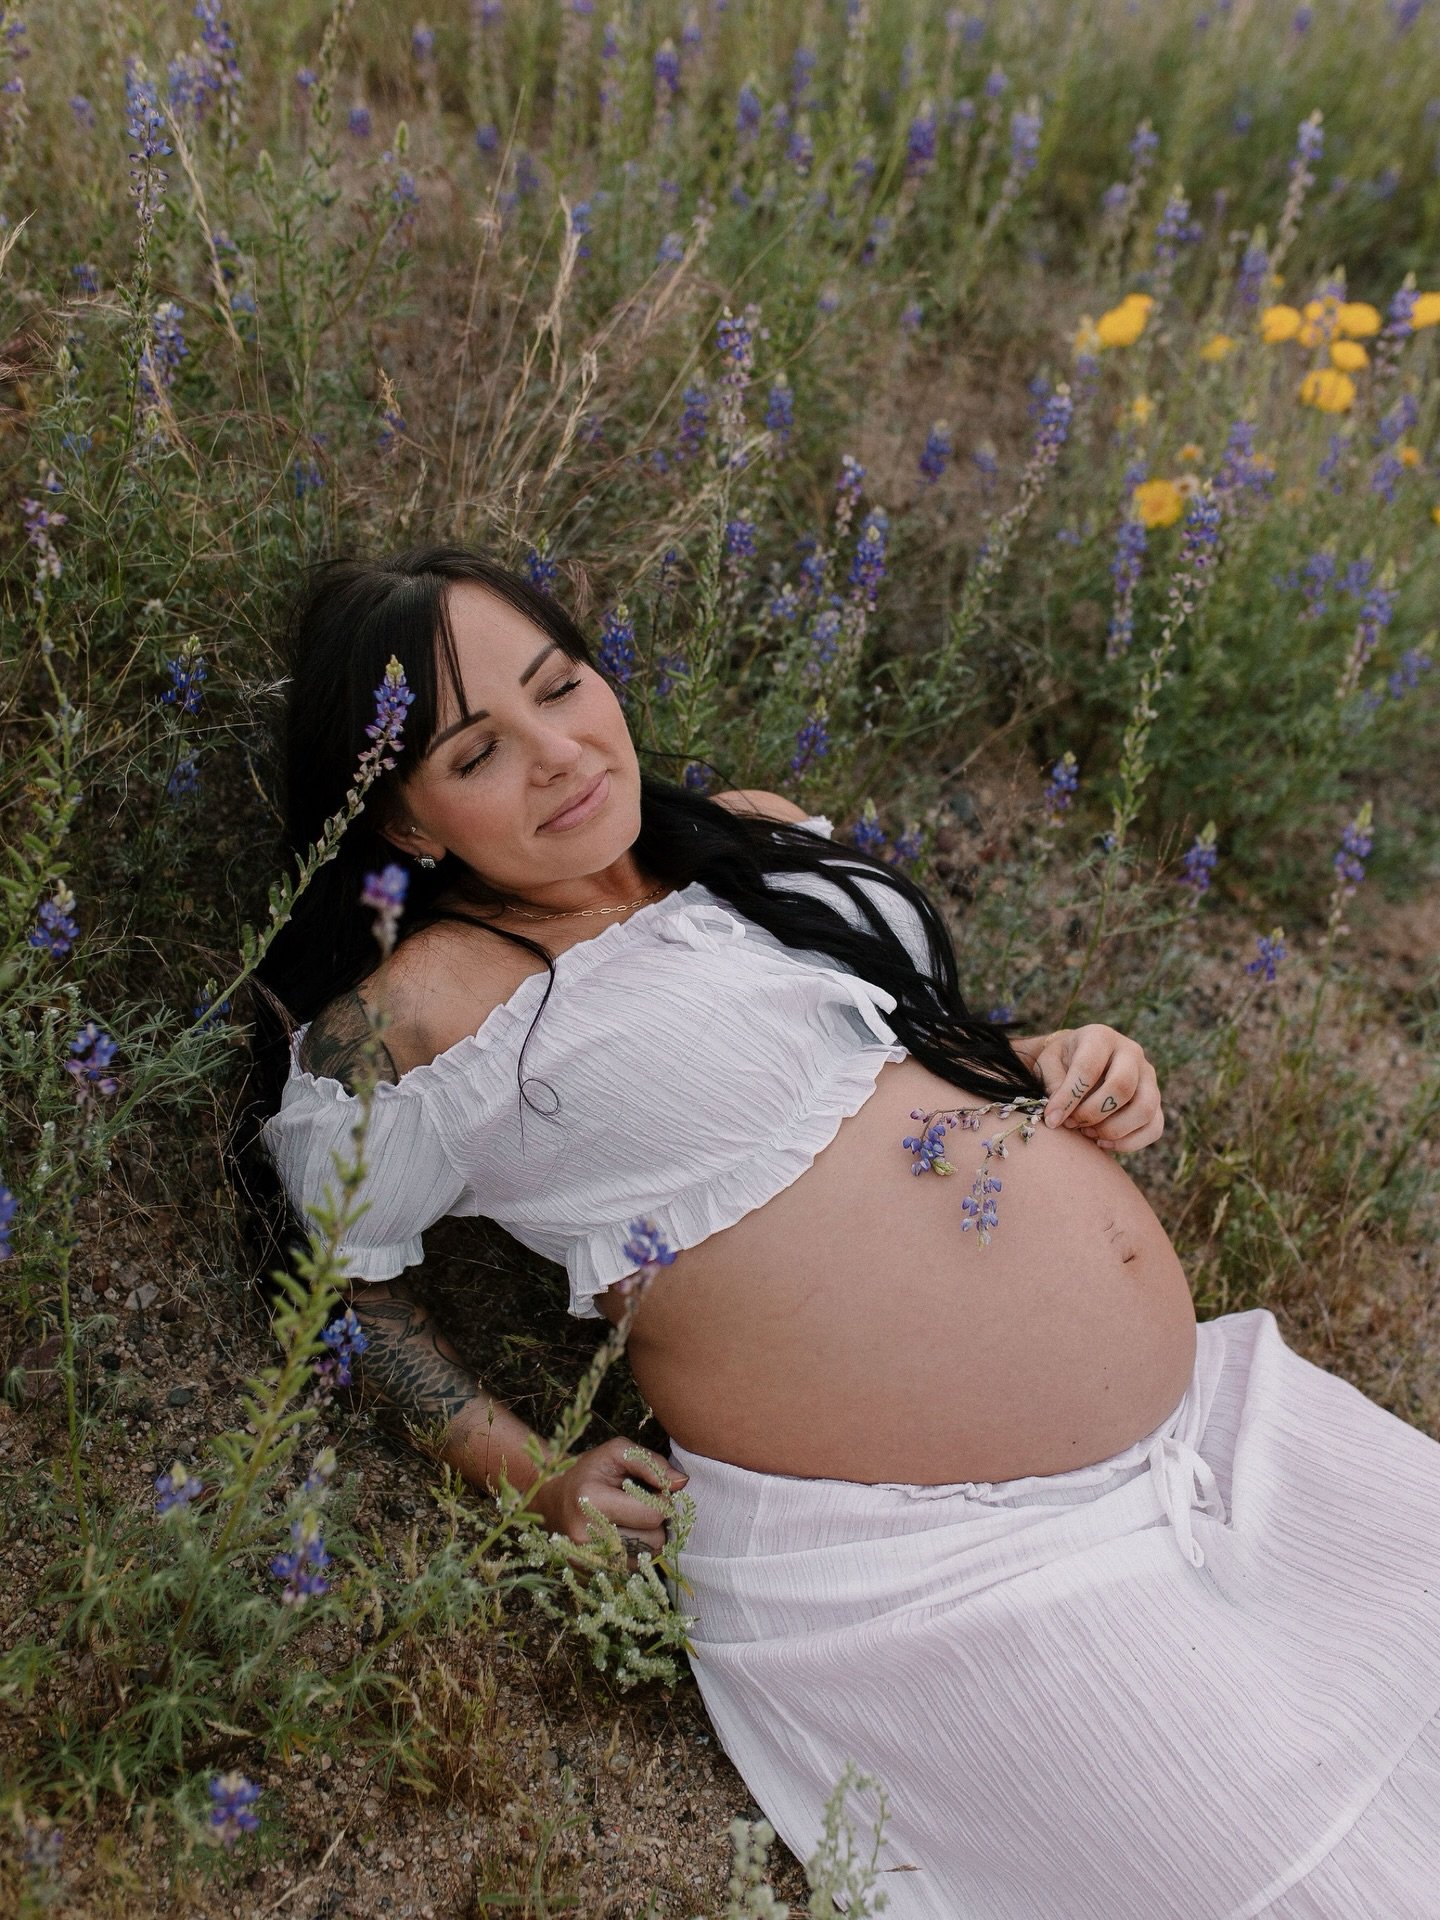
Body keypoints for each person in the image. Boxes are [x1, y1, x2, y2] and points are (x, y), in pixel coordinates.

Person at [244, 547, 1440, 1918]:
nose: (558, 753)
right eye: (476, 752)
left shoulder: (751, 834)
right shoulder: (418, 1019)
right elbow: (338, 1285)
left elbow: (898, 1060)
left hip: (1215, 1438)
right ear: (403, 819)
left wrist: (1059, 1062)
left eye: (561, 687)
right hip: (940, 1565)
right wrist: (534, 1476)